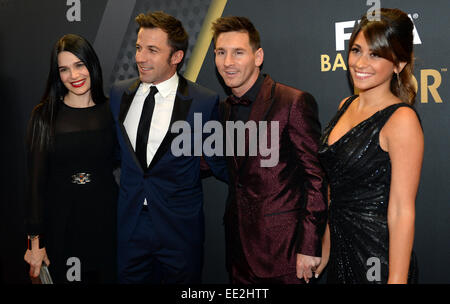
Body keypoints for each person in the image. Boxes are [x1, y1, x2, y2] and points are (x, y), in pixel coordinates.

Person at [109, 11, 227, 284]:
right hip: (131, 227)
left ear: (176, 57)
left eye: (152, 50)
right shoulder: (118, 94)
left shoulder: (203, 102)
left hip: (179, 231)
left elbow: (218, 162)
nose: (140, 57)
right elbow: (116, 153)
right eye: (138, 48)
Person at [212, 16, 327, 284]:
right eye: (220, 52)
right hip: (238, 253)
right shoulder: (225, 108)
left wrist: (309, 246)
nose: (227, 62)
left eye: (238, 52)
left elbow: (316, 178)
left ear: (258, 56)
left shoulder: (293, 102)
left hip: (285, 254)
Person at [315, 8, 423, 284]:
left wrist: (396, 280)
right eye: (356, 50)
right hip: (342, 247)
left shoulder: (401, 120)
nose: (360, 62)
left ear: (398, 64)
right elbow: (335, 189)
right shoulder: (345, 106)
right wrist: (326, 246)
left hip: (376, 254)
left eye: (375, 54)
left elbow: (401, 210)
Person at [24, 34, 118, 283]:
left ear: (92, 65)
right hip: (61, 225)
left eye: (79, 65)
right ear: (57, 75)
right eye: (64, 69)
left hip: (106, 222)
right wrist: (35, 243)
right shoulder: (44, 115)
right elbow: (35, 184)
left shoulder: (112, 111)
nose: (74, 76)